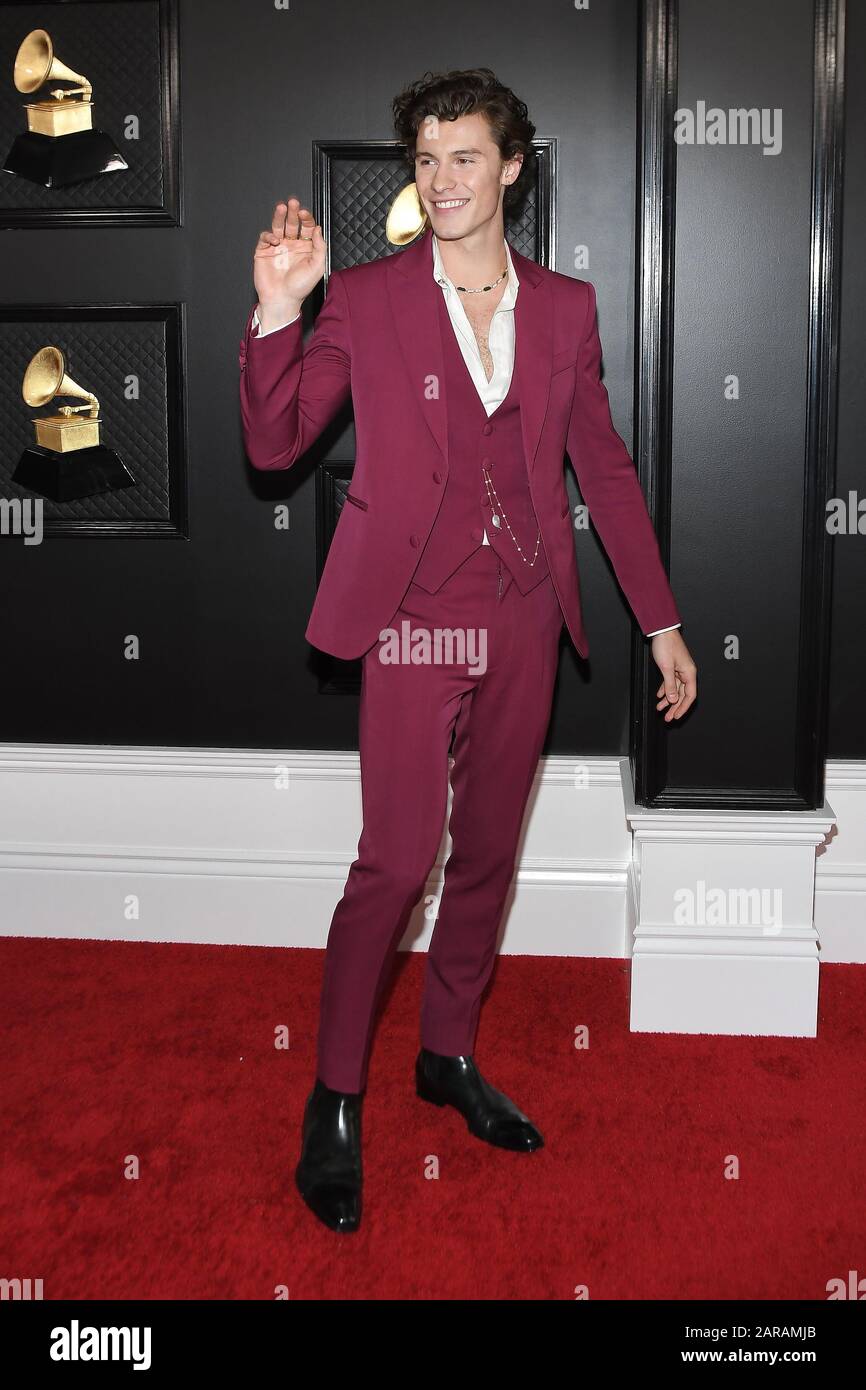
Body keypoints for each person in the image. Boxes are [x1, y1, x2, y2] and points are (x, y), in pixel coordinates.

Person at [239, 67, 697, 1234]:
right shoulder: (371, 297)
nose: (440, 181)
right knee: (399, 860)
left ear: (508, 167)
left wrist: (658, 618)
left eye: (462, 158)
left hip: (524, 613)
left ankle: (445, 1055)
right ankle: (333, 1095)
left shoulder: (566, 306)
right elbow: (277, 442)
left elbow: (602, 469)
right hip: (409, 617)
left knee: (487, 851)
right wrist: (280, 311)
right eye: (425, 160)